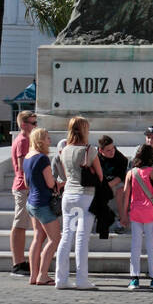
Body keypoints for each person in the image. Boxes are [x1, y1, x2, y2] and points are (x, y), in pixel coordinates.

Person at [54, 117, 103, 290]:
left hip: (68, 195)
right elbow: (100, 176)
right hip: (85, 195)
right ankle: (82, 279)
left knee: (66, 236)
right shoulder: (89, 150)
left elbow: (66, 173)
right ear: (84, 130)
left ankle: (61, 279)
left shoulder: (64, 149)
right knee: (82, 238)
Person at [123, 144, 153, 289]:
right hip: (150, 212)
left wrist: (124, 214)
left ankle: (134, 278)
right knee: (151, 245)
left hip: (135, 211)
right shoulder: (152, 172)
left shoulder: (131, 173)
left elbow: (126, 195)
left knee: (135, 245)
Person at [23, 127, 62, 286]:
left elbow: (26, 183)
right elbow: (50, 183)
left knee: (38, 237)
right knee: (55, 239)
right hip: (43, 203)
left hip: (31, 202)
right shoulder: (42, 158)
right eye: (47, 137)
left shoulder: (27, 157)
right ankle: (43, 275)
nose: (49, 140)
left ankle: (33, 275)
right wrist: (60, 184)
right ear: (40, 140)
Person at [8, 111, 37, 276]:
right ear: (24, 124)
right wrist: (30, 186)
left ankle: (21, 262)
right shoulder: (24, 141)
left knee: (22, 224)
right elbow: (22, 167)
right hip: (23, 188)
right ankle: (17, 263)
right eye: (34, 123)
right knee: (19, 224)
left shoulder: (25, 140)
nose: (36, 126)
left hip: (25, 187)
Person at [92, 135, 129, 239]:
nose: (112, 151)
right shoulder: (94, 157)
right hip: (99, 184)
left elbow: (120, 177)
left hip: (114, 183)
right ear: (100, 150)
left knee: (121, 190)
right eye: (108, 150)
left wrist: (107, 185)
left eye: (113, 148)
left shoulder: (120, 158)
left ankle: (122, 222)